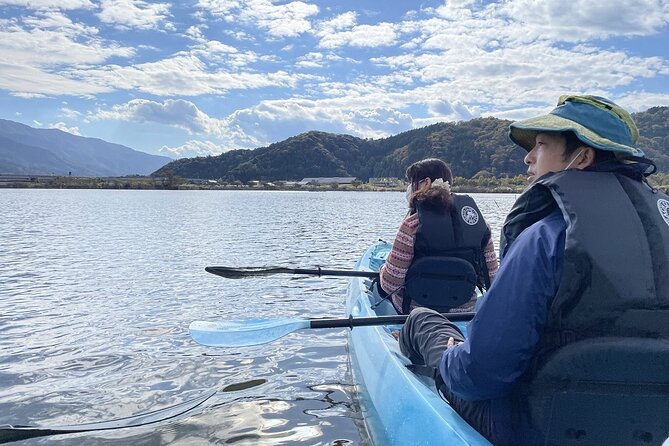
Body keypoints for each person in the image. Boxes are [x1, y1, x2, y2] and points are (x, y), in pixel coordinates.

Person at [398, 95, 669, 445]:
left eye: (541, 145)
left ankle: (405, 355)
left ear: (582, 157)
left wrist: (453, 356)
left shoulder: (546, 238)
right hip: (637, 428)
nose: (528, 157)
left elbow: (480, 377)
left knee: (423, 320)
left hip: (528, 427)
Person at [379, 158, 498, 314]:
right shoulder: (480, 226)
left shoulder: (412, 224)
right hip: (463, 312)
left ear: (426, 183)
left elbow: (390, 284)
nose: (409, 188)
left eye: (412, 182)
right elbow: (491, 279)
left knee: (381, 287)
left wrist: (382, 270)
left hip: (416, 313)